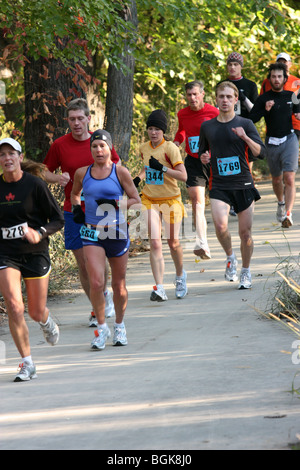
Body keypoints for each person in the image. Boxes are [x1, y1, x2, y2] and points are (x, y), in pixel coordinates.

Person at [44, 98, 120, 326]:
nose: (76, 123)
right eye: (72, 119)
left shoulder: (100, 140)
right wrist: (57, 178)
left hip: (103, 211)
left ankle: (103, 295)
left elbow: (117, 167)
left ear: (89, 118)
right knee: (84, 263)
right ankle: (97, 306)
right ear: (67, 120)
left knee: (98, 260)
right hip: (74, 211)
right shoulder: (60, 145)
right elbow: (43, 172)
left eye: (80, 118)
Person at [0, 137, 64, 382]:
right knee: (15, 307)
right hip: (6, 254)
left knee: (36, 312)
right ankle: (27, 363)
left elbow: (58, 219)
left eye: (10, 154)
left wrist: (39, 233)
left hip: (35, 253)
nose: (6, 158)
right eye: (2, 155)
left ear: (19, 157)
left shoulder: (35, 185)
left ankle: (46, 322)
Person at [71, 130, 140, 350]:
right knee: (97, 282)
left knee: (118, 285)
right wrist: (76, 208)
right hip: (92, 233)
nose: (99, 150)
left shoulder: (120, 172)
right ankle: (101, 329)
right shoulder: (83, 173)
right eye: (95, 146)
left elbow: (135, 199)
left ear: (109, 148)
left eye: (102, 146)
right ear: (90, 149)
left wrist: (115, 205)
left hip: (116, 232)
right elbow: (74, 194)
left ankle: (119, 326)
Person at [199, 82, 266, 290]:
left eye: (229, 96)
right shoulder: (207, 126)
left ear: (236, 100)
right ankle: (230, 257)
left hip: (243, 183)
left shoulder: (245, 123)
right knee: (220, 226)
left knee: (245, 234)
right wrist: (204, 158)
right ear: (216, 100)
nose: (225, 100)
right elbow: (202, 153)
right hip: (219, 184)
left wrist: (244, 137)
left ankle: (245, 271)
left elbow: (261, 153)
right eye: (221, 96)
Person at [134, 109, 188, 301]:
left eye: (157, 129)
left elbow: (183, 176)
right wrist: (137, 179)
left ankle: (180, 276)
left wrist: (163, 168)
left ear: (163, 131)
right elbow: (146, 167)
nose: (154, 132)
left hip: (171, 200)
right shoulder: (144, 148)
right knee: (155, 242)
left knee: (173, 243)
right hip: (149, 199)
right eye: (150, 128)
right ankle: (159, 287)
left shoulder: (171, 148)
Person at [250, 62, 300, 228]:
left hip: (290, 139)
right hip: (271, 142)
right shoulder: (264, 98)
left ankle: (288, 213)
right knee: (277, 180)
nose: (277, 79)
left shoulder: (291, 96)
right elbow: (252, 118)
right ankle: (280, 202)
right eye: (274, 76)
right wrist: (265, 109)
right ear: (269, 79)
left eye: (280, 76)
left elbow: (298, 112)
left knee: (289, 177)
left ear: (285, 78)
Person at [174, 80, 219, 259]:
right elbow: (182, 131)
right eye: (189, 95)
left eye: (195, 94)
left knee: (217, 203)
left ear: (202, 95)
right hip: (193, 161)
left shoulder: (213, 112)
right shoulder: (182, 114)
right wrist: (177, 142)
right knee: (197, 202)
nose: (192, 98)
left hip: (213, 161)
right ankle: (202, 243)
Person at [260, 53, 300, 140]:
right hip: (273, 126)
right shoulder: (267, 82)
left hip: (294, 124)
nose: (282, 65)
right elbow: (260, 103)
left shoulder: (297, 81)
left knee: (290, 152)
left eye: (284, 62)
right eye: (280, 62)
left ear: (290, 64)